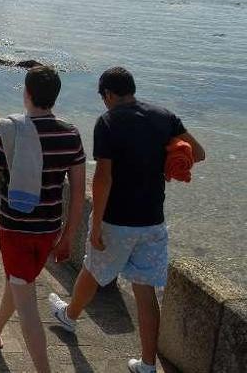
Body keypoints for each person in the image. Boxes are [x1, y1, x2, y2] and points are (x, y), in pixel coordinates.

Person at [48, 67, 205, 373]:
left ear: (107, 94)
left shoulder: (107, 122)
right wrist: (164, 161)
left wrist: (95, 225)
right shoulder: (165, 116)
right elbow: (197, 153)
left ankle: (69, 316)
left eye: (103, 97)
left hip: (118, 220)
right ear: (131, 89)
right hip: (153, 222)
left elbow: (104, 177)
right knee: (145, 293)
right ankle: (147, 365)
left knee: (92, 268)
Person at [0, 66, 86, 373]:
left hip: (16, 231)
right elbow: (78, 191)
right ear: (55, 97)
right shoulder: (71, 135)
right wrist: (69, 236)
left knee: (28, 305)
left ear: (27, 93)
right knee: (19, 281)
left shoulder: (9, 131)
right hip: (48, 231)